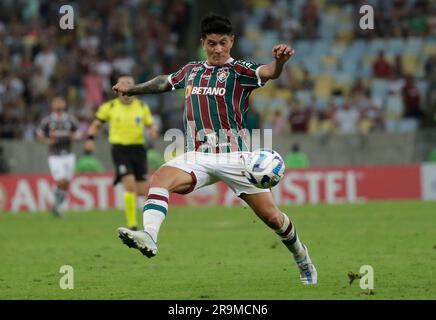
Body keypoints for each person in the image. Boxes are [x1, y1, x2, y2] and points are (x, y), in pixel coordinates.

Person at [113, 14, 317, 285]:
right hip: (198, 155)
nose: (218, 49)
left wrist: (279, 62)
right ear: (203, 43)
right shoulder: (191, 70)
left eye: (223, 43)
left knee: (272, 218)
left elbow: (268, 72)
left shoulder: (240, 71)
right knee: (160, 178)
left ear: (232, 41)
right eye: (212, 44)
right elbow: (165, 81)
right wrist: (133, 90)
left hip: (236, 157)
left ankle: (302, 259)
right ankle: (149, 236)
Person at [85, 75, 158, 231]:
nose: (126, 88)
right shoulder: (109, 107)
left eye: (129, 85)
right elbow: (96, 124)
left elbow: (151, 125)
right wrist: (90, 139)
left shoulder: (142, 107)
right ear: (117, 89)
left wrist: (153, 131)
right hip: (120, 149)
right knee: (129, 185)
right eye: (123, 84)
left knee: (141, 190)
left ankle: (143, 219)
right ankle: (132, 224)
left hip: (139, 149)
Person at [36, 96, 81, 216]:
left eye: (61, 102)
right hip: (54, 156)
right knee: (60, 181)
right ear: (52, 105)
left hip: (68, 155)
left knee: (66, 183)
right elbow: (39, 135)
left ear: (65, 104)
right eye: (56, 102)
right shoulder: (47, 120)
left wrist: (75, 137)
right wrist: (47, 141)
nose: (59, 105)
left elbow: (78, 134)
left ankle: (57, 207)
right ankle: (57, 201)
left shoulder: (70, 119)